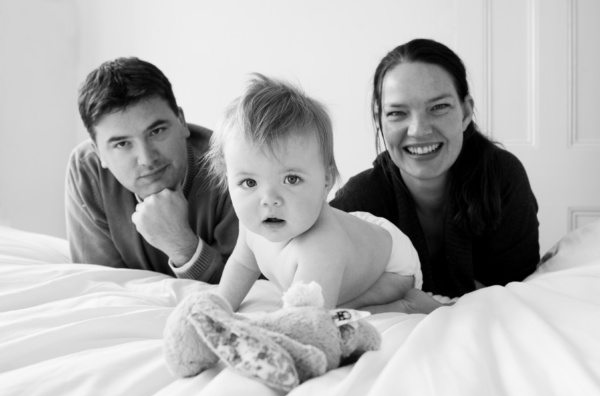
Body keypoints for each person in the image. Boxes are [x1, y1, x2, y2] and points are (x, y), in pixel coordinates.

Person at [330, 38, 540, 311]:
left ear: (465, 112)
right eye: (397, 113)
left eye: (438, 107)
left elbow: (518, 289)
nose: (418, 130)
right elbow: (295, 256)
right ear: (379, 120)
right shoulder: (363, 197)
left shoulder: (502, 179)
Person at [205, 74, 423, 311]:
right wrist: (218, 307)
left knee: (342, 311)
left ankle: (409, 304)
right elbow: (243, 264)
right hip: (354, 234)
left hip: (391, 264)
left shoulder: (321, 247)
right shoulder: (252, 225)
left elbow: (307, 320)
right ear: (228, 180)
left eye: (291, 179)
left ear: (326, 180)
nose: (269, 200)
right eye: (249, 183)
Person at [66, 57, 238, 283]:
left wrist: (183, 246)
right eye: (122, 144)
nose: (147, 159)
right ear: (98, 153)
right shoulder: (87, 170)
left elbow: (247, 289)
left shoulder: (232, 165)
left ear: (181, 122)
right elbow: (101, 285)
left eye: (156, 131)